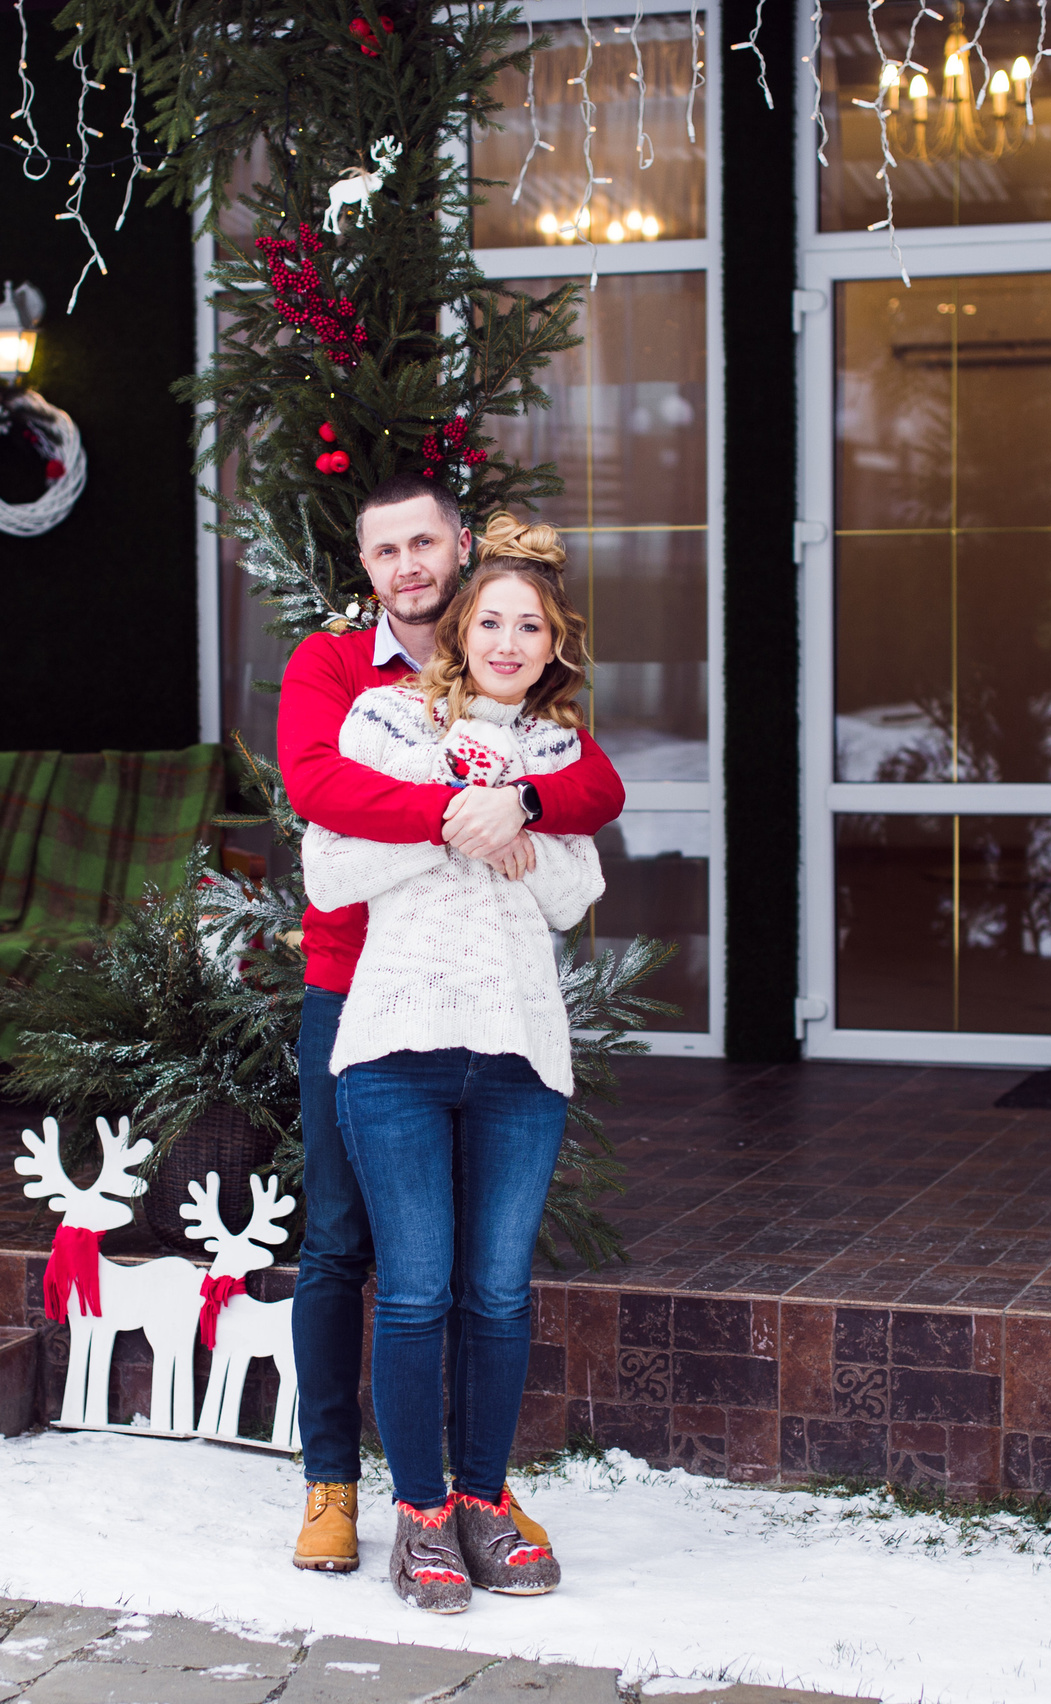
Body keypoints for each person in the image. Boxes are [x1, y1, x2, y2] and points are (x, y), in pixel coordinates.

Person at [274, 479, 624, 1581]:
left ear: (458, 550)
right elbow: (317, 797)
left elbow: (590, 801)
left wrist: (522, 804)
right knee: (347, 1246)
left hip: (502, 1022)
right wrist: (459, 818)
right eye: (387, 551)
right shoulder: (344, 674)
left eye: (424, 542)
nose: (408, 565)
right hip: (361, 990)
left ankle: (476, 1490)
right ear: (369, 567)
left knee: (485, 1281)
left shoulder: (539, 723)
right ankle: (339, 1482)